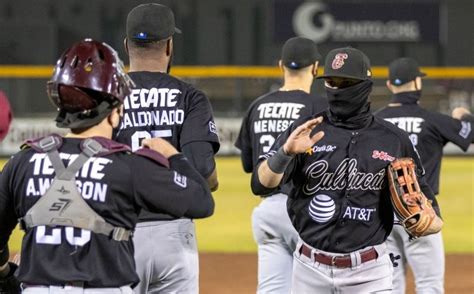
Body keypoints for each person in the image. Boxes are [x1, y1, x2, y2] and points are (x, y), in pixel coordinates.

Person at [0, 39, 214, 293]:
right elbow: (202, 201)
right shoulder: (129, 167)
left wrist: (5, 273)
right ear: (115, 110)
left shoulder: (21, 163)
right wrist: (174, 157)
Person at [251, 47, 442, 293]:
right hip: (309, 268)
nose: (338, 89)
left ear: (365, 84)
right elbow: (260, 184)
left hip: (370, 272)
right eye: (331, 82)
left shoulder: (394, 140)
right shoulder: (305, 130)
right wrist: (285, 153)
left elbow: (431, 210)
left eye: (347, 82)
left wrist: (427, 222)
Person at [115, 3, 220, 293]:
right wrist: (208, 181)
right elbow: (202, 171)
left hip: (118, 231)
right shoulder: (191, 97)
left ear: (126, 45)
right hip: (173, 234)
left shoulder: (108, 97)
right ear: (169, 46)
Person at [235, 36, 326, 293]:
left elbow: (248, 165)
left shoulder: (257, 105)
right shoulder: (320, 107)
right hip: (307, 209)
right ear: (316, 68)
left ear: (280, 65)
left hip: (268, 211)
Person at [375, 57, 474, 294]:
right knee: (429, 285)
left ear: (389, 85)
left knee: (389, 284)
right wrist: (464, 115)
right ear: (418, 83)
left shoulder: (375, 121)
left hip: (382, 215)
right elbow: (468, 135)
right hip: (419, 212)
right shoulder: (431, 120)